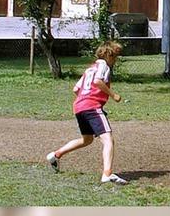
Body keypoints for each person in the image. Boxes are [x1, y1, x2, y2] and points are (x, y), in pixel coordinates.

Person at [46, 41, 127, 184]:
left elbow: (76, 89)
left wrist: (85, 100)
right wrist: (113, 95)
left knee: (87, 139)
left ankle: (56, 155)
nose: (115, 60)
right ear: (109, 55)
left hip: (79, 106)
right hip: (92, 106)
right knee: (108, 140)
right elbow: (97, 81)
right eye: (115, 56)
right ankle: (107, 174)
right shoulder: (103, 66)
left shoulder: (90, 68)